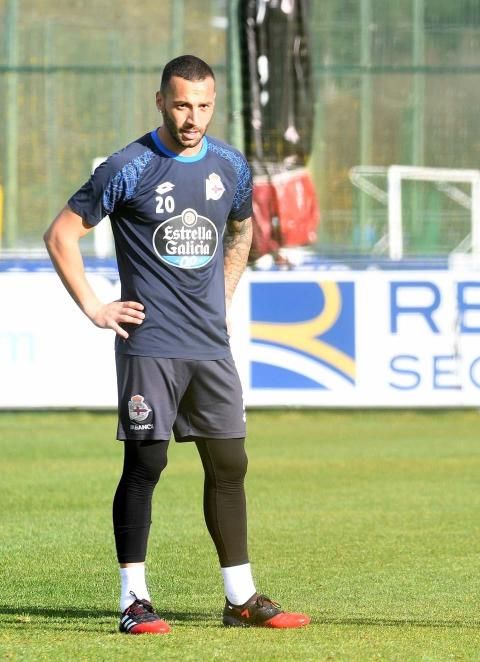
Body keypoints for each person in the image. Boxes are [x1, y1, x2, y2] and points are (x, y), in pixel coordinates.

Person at [43, 55, 309, 634]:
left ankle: (241, 598)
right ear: (160, 99)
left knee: (230, 463)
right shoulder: (127, 166)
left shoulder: (230, 165)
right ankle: (133, 600)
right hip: (151, 346)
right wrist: (94, 305)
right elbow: (61, 234)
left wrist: (225, 295)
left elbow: (242, 230)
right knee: (147, 463)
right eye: (183, 104)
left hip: (209, 345)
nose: (193, 117)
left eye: (204, 105)